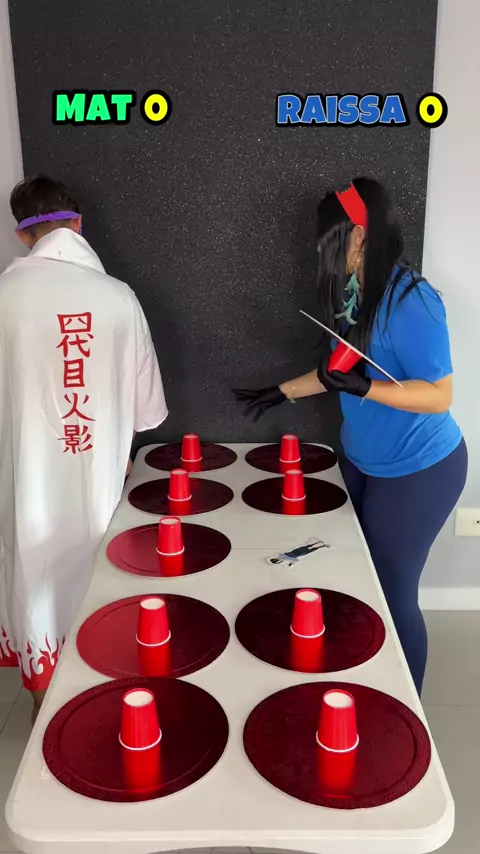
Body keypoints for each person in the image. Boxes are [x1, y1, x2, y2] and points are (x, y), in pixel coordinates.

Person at [234, 177, 467, 695]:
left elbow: (439, 396)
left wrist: (365, 388)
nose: (321, 250)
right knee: (354, 576)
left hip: (419, 470)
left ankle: (405, 708)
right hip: (364, 462)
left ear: (359, 236)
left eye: (329, 239)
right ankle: (360, 678)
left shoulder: (413, 300)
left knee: (392, 592)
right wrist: (280, 392)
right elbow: (339, 369)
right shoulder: (357, 293)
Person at [0, 175, 168, 718]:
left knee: (35, 577)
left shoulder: (4, 298)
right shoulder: (119, 298)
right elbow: (147, 411)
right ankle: (111, 699)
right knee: (102, 583)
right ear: (78, 224)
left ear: (23, 236)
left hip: (26, 483)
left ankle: (43, 707)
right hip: (99, 485)